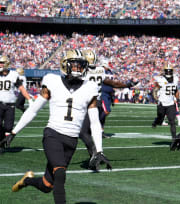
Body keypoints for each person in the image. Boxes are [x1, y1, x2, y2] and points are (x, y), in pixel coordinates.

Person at [1, 50, 111, 204]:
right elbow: (33, 109)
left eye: (81, 65)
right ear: (65, 64)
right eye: (75, 64)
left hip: (71, 141)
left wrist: (99, 150)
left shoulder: (90, 87)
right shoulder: (52, 81)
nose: (78, 68)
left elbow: (94, 122)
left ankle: (27, 181)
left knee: (47, 185)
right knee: (60, 174)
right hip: (53, 135)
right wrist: (14, 132)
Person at [79, 50, 136, 158]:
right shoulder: (100, 70)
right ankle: (95, 153)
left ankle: (95, 153)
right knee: (86, 131)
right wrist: (127, 84)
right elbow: (112, 83)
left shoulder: (83, 71)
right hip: (98, 103)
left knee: (82, 132)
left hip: (89, 104)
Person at [0, 56, 33, 154]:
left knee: (8, 127)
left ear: (6, 64)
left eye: (2, 63)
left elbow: (22, 88)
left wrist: (30, 100)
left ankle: (3, 141)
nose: (0, 65)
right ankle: (1, 144)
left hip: (10, 105)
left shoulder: (14, 75)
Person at [151, 63, 180, 140]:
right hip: (162, 103)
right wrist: (156, 97)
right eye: (166, 71)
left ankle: (174, 138)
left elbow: (176, 90)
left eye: (169, 71)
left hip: (171, 104)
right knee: (160, 119)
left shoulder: (175, 78)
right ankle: (156, 121)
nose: (168, 72)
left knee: (172, 121)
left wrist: (178, 100)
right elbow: (155, 88)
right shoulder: (160, 79)